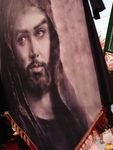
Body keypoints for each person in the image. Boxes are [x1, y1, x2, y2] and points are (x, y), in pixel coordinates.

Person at [0, 1, 88, 149]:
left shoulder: (76, 117)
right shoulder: (21, 131)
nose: (34, 52)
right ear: (11, 50)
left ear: (52, 40)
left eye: (40, 33)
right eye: (22, 39)